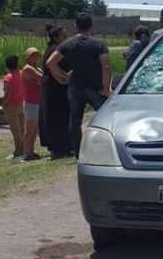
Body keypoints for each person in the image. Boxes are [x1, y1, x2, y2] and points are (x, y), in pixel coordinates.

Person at [47, 14, 112, 156]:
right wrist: (106, 88)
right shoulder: (99, 44)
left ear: (76, 25)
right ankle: (107, 146)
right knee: (105, 115)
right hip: (94, 87)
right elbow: (106, 67)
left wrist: (61, 77)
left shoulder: (67, 44)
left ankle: (78, 151)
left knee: (75, 119)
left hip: (75, 86)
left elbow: (50, 63)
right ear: (91, 26)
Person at [39, 25, 73, 159]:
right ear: (55, 37)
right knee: (57, 118)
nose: (67, 38)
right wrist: (65, 78)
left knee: (58, 117)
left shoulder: (54, 49)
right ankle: (59, 148)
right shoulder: (55, 50)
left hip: (55, 87)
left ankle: (61, 147)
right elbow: (51, 65)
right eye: (64, 36)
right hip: (55, 88)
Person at [21, 47, 44, 161]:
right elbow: (42, 78)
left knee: (34, 130)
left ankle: (31, 151)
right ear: (27, 57)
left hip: (38, 102)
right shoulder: (28, 69)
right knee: (29, 129)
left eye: (37, 55)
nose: (35, 57)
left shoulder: (38, 68)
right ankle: (26, 152)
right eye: (33, 55)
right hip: (31, 102)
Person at [2, 55, 26, 161]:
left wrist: (4, 104)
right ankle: (25, 149)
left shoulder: (8, 77)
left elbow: (8, 93)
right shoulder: (22, 74)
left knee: (15, 130)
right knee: (22, 129)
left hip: (11, 105)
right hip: (21, 104)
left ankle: (18, 151)